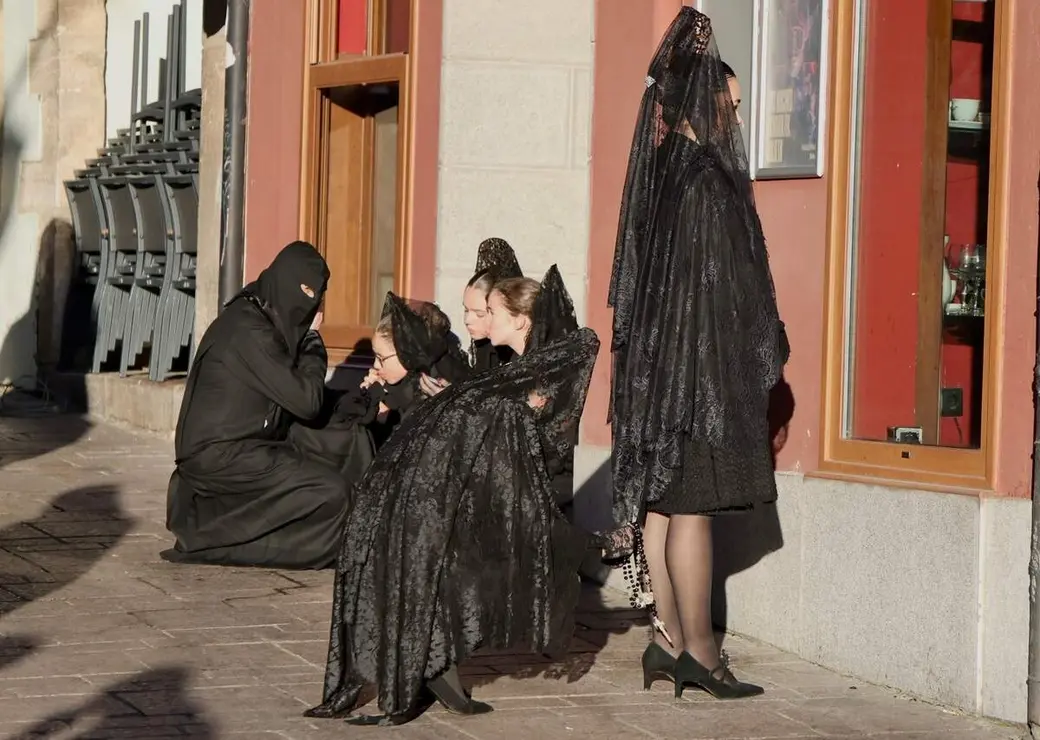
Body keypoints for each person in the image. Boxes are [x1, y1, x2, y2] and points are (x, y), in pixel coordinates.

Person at [305, 265, 597, 726]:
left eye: (488, 311)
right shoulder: (507, 366)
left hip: (517, 496)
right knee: (418, 539)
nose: (478, 320)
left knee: (437, 546)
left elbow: (541, 428)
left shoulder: (544, 365)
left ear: (520, 319)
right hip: (479, 484)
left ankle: (434, 663)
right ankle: (434, 665)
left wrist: (501, 408)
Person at [605, 8, 788, 701]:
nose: (736, 118)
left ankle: (667, 641)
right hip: (698, 373)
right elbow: (722, 290)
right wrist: (762, 344)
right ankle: (702, 657)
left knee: (664, 505)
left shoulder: (663, 173)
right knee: (692, 510)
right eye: (730, 104)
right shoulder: (706, 184)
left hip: (661, 371)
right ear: (703, 103)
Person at [161, 241, 347, 570]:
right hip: (219, 455)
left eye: (315, 295)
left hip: (243, 444)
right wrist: (313, 342)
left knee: (339, 439)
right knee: (332, 493)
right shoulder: (250, 330)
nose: (309, 306)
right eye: (303, 292)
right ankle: (215, 544)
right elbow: (307, 402)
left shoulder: (258, 315)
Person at [288, 292, 472, 481]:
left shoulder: (427, 392)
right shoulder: (395, 387)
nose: (376, 365)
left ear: (407, 355)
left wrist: (381, 412)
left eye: (382, 358)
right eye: (375, 357)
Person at [418, 237, 523, 399]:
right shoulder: (485, 349)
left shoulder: (522, 354)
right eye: (466, 310)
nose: (468, 320)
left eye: (479, 313)